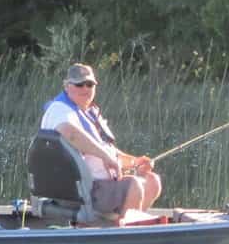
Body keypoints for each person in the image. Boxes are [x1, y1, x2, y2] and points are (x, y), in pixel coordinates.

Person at [39, 62, 162, 216]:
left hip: (101, 186)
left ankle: (121, 223)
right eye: (79, 84)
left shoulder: (89, 113)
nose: (85, 88)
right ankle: (125, 232)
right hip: (82, 191)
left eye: (90, 84)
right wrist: (105, 156)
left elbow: (107, 150)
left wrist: (135, 162)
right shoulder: (60, 109)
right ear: (67, 86)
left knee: (152, 181)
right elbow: (70, 133)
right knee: (134, 185)